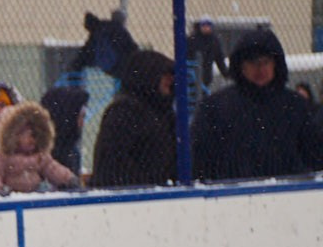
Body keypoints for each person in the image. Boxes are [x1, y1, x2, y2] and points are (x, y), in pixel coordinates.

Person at [189, 26, 323, 184]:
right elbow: (199, 160)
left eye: (265, 62)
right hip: (230, 195)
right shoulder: (216, 107)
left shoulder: (296, 106)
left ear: (275, 64)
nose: (260, 69)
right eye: (252, 62)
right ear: (241, 66)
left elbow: (314, 156)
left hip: (288, 194)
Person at [87, 49, 177, 190]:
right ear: (149, 75)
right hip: (128, 195)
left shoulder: (165, 113)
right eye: (165, 74)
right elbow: (113, 166)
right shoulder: (124, 112)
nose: (170, 79)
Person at [0, 101, 80, 195]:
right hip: (11, 196)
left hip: (35, 195)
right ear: (14, 136)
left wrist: (68, 179)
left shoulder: (39, 157)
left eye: (37, 136)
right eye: (30, 135)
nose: (34, 140)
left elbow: (53, 168)